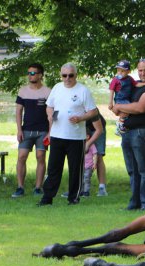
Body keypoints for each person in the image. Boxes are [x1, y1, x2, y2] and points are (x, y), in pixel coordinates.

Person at [38, 63, 98, 206]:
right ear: (61, 75)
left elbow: (93, 111)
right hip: (57, 135)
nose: (67, 78)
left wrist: (81, 118)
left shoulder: (83, 90)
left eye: (70, 75)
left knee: (75, 169)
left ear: (76, 75)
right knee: (53, 168)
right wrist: (50, 115)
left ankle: (73, 198)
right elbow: (49, 106)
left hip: (76, 137)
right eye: (64, 75)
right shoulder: (57, 88)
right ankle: (47, 198)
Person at [111, 58, 145, 211]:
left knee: (144, 169)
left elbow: (140, 108)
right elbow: (124, 102)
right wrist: (121, 107)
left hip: (142, 132)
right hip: (127, 131)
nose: (143, 73)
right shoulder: (135, 85)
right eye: (140, 70)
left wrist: (120, 106)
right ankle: (134, 204)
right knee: (133, 170)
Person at [11, 63, 51, 198]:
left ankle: (38, 188)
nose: (30, 76)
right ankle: (20, 187)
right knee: (21, 156)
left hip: (43, 131)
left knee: (41, 157)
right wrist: (19, 130)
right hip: (26, 130)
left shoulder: (48, 92)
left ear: (40, 75)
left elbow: (52, 114)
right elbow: (18, 111)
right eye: (29, 73)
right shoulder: (23, 91)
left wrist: (50, 132)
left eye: (33, 73)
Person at [108, 60, 145, 136]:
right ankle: (120, 124)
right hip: (120, 99)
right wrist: (110, 102)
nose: (120, 72)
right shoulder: (115, 80)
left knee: (126, 112)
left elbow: (136, 84)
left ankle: (120, 125)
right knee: (127, 111)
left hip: (126, 99)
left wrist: (143, 84)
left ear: (128, 71)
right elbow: (111, 90)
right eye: (118, 70)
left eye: (122, 71)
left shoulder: (130, 79)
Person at [86, 111, 108, 196]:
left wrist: (88, 143)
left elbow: (99, 129)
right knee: (77, 156)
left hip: (98, 128)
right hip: (82, 128)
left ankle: (102, 187)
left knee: (98, 156)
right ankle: (76, 187)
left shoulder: (87, 101)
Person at [81, 129, 98, 197]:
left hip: (89, 166)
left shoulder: (91, 145)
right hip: (81, 166)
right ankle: (81, 191)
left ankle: (86, 192)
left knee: (87, 178)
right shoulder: (81, 144)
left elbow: (95, 154)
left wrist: (95, 163)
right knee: (81, 179)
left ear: (87, 136)